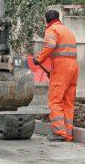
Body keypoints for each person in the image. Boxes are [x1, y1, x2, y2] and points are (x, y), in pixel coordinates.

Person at [34, 10, 79, 142]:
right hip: (73, 67)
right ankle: (68, 133)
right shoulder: (67, 31)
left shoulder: (51, 30)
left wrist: (40, 59)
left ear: (46, 21)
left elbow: (51, 45)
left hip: (61, 68)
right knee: (68, 102)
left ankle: (59, 132)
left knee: (55, 100)